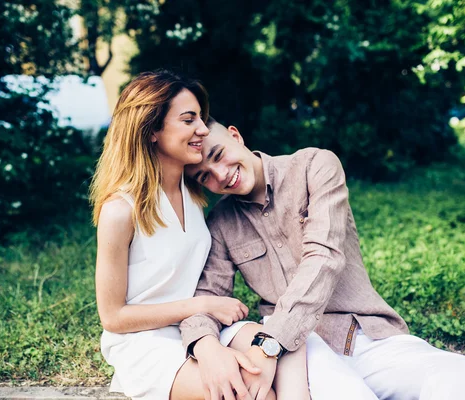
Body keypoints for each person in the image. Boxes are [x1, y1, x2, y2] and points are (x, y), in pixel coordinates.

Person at [181, 118, 465, 400]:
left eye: (219, 155)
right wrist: (204, 345)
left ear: (236, 136)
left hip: (363, 336)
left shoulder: (313, 165)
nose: (221, 175)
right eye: (205, 176)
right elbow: (208, 295)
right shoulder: (221, 222)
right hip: (299, 354)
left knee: (460, 373)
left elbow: (322, 257)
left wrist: (271, 344)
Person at [90, 71, 307, 400]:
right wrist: (202, 304)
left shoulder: (193, 192)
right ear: (151, 130)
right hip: (144, 342)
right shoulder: (120, 210)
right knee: (247, 393)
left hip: (199, 326)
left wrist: (204, 330)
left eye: (201, 119)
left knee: (281, 344)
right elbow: (113, 317)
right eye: (189, 120)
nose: (203, 130)